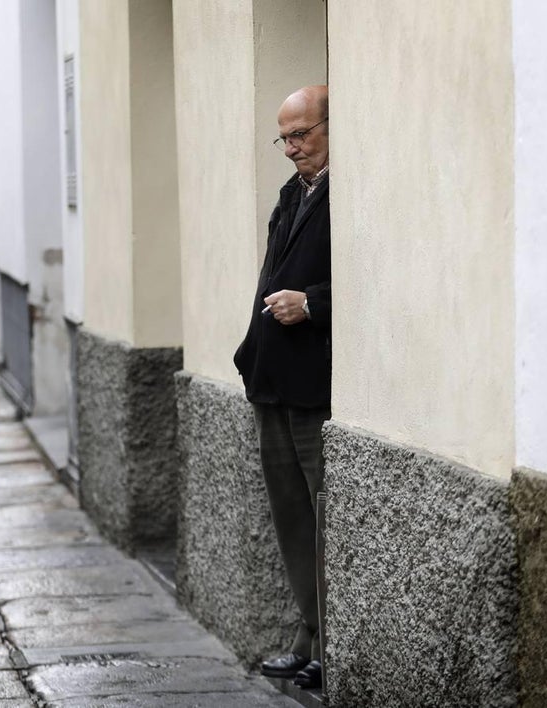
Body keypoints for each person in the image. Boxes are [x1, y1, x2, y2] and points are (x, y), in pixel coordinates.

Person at [233, 85, 332, 691]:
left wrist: (313, 305)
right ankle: (307, 634)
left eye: (302, 134)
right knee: (291, 517)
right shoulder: (291, 194)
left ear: (330, 127)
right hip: (271, 379)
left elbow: (373, 275)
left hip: (313, 384)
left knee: (322, 517)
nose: (292, 147)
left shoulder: (349, 192)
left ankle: (325, 641)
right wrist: (249, 355)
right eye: (285, 137)